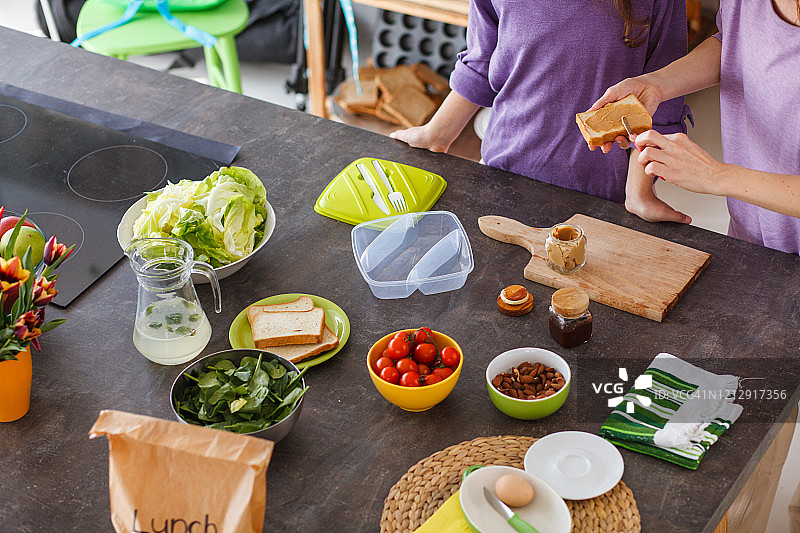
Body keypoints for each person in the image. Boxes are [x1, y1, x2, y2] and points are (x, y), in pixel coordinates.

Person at [589, 2, 800, 531]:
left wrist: (719, 176)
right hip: (760, 249)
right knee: (744, 437)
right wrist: (657, 84)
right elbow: (735, 44)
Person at [390, 0, 691, 217]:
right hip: (501, 172)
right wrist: (437, 134)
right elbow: (481, 61)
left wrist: (638, 193)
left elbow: (661, 95)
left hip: (600, 195)